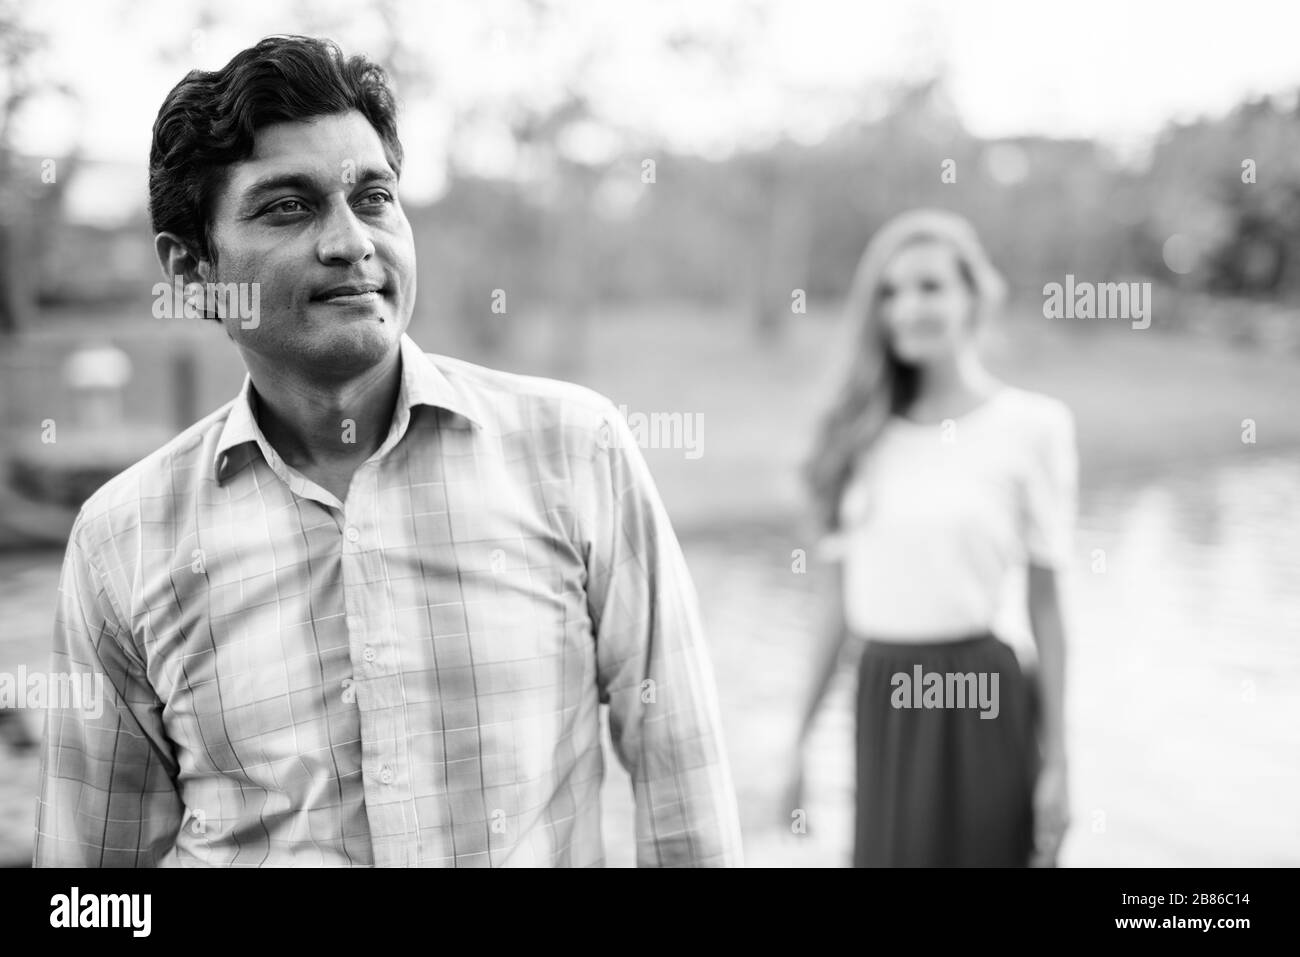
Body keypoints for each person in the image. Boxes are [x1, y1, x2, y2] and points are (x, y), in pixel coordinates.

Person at [34, 35, 742, 868]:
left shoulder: (572, 451)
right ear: (191, 271)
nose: (350, 242)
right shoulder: (123, 538)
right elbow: (91, 875)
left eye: (373, 198)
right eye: (288, 207)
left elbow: (683, 782)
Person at [783, 209, 1077, 867]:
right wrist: (797, 742)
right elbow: (833, 610)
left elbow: (1048, 606)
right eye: (889, 292)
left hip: (984, 693)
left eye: (930, 286)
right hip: (884, 695)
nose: (908, 307)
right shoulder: (853, 438)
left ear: (974, 295)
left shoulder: (1033, 427)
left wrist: (1059, 760)